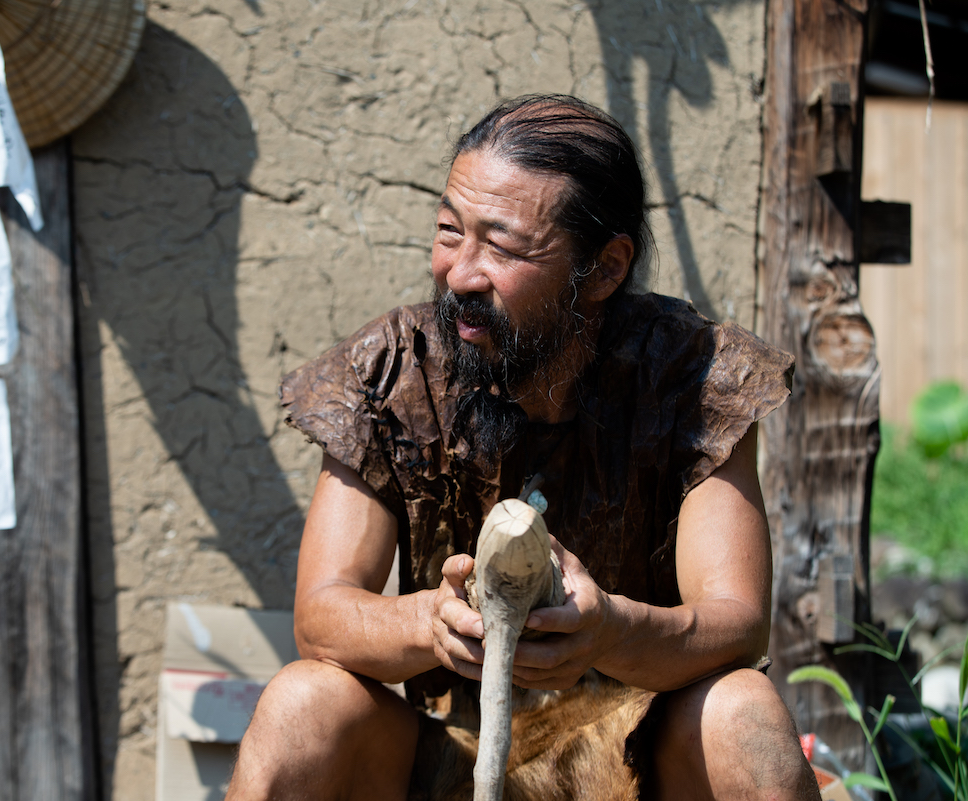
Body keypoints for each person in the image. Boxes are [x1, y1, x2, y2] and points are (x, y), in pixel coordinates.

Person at [226, 95, 821, 801]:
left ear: (604, 269)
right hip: (444, 750)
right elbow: (320, 615)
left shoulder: (692, 378)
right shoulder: (394, 367)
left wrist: (609, 630)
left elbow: (737, 624)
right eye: (450, 231)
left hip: (639, 753)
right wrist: (429, 623)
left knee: (743, 711)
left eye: (502, 246)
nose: (461, 273)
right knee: (303, 702)